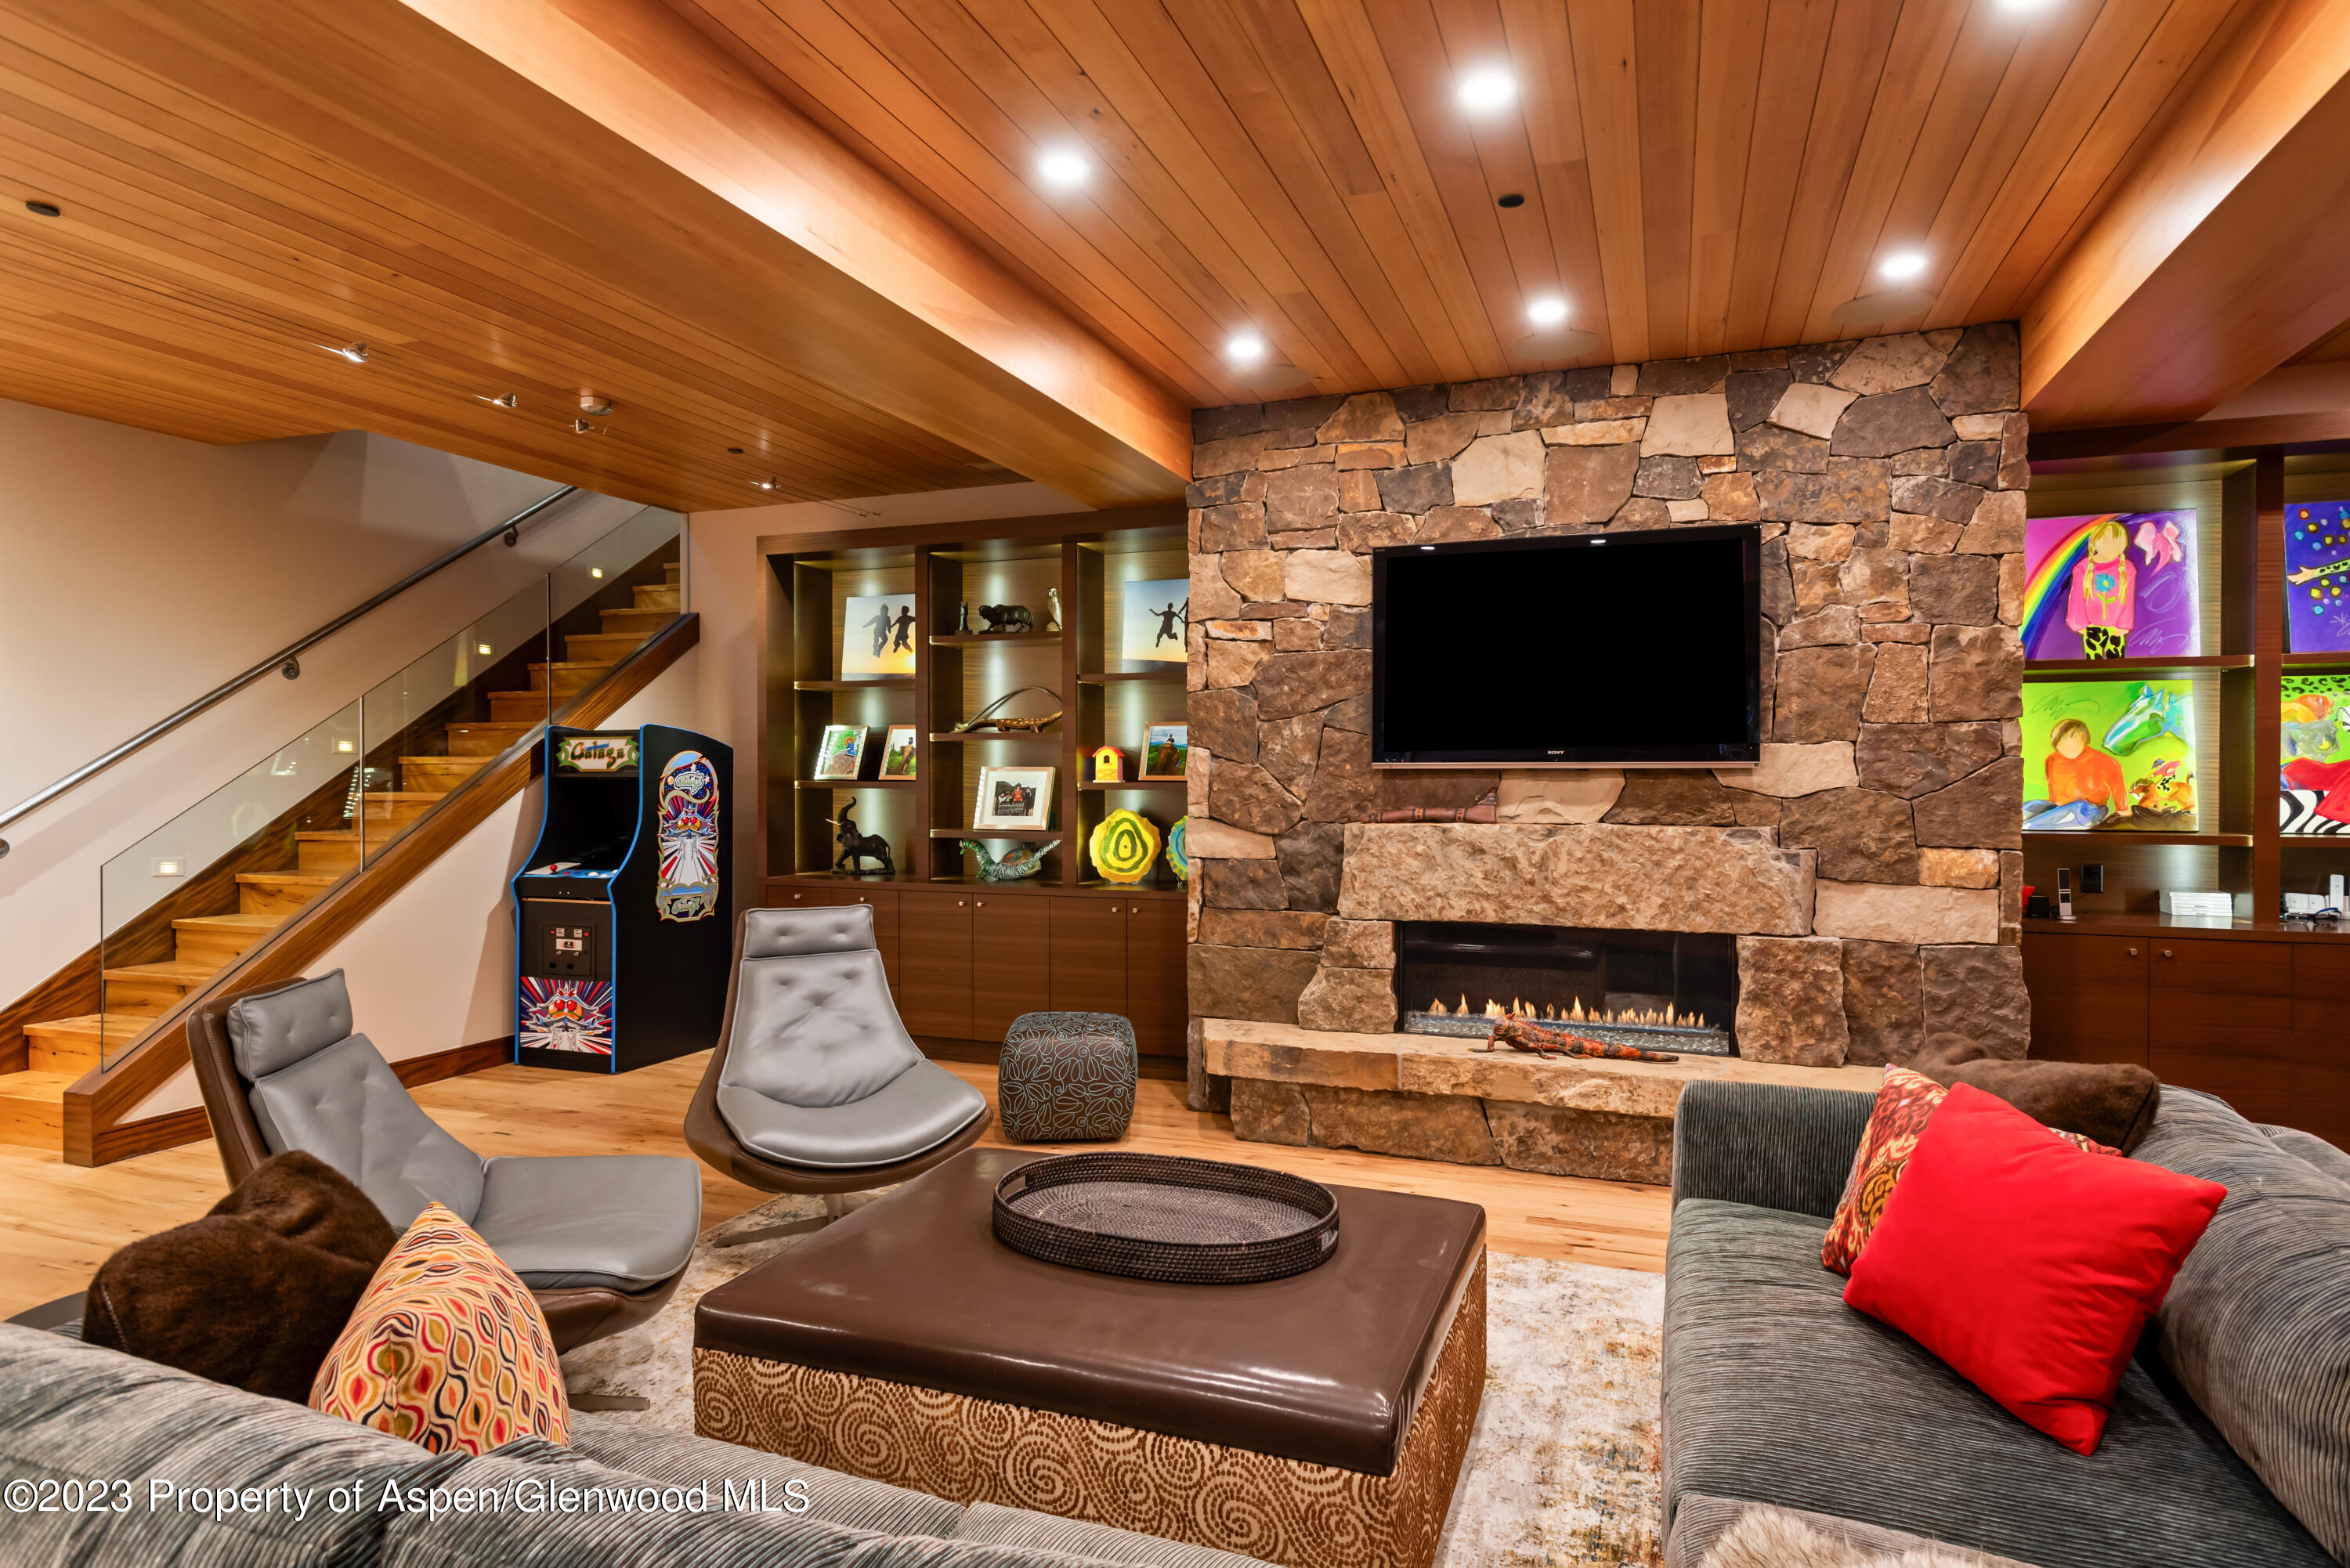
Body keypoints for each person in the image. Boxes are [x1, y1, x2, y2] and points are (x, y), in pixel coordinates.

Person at [2066, 519, 2135, 659]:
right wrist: (2080, 624)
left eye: (2116, 543)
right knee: (2093, 666)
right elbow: (2076, 598)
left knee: (2116, 667)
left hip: (2116, 629)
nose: (2111, 547)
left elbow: (2128, 600)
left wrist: (2122, 626)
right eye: (2106, 542)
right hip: (2091, 628)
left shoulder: (2127, 568)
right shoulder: (2084, 567)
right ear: (2095, 542)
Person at [2044, 718, 2130, 818]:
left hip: (2090, 809)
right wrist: (2052, 803)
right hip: (2061, 808)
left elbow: (2117, 784)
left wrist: (2122, 809)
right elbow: (2052, 784)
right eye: (2062, 746)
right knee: (2033, 806)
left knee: (2079, 805)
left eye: (2073, 747)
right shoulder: (2052, 760)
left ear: (2085, 743)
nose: (2068, 751)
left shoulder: (2102, 760)